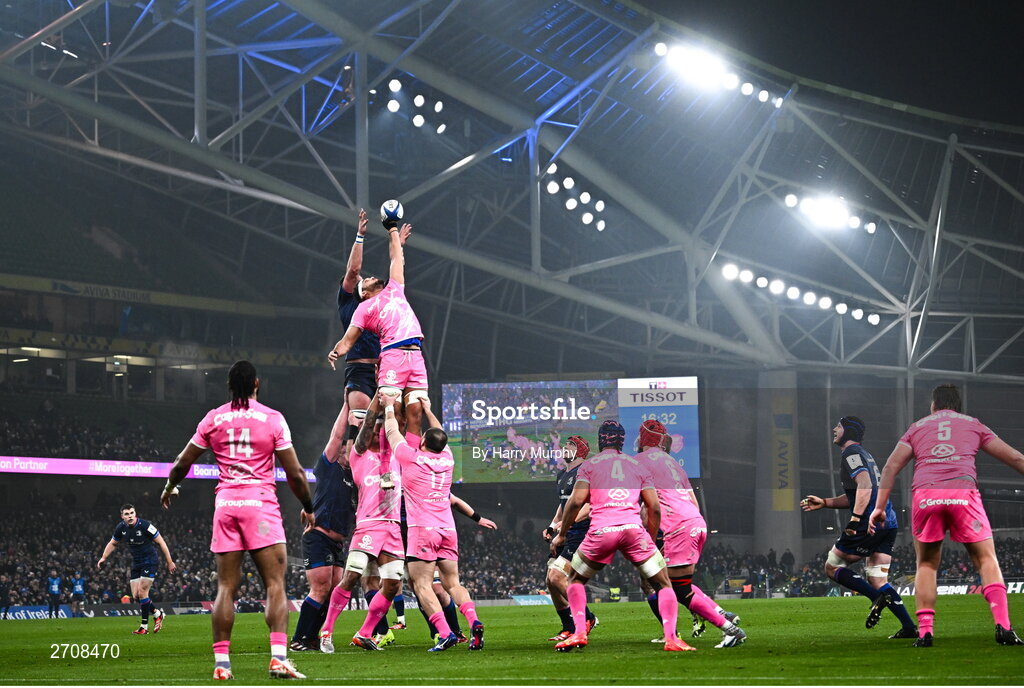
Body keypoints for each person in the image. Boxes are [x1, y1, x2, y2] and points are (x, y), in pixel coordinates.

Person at [160, 360, 316, 679]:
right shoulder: (273, 419)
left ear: (229, 386)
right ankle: (277, 658)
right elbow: (296, 473)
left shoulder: (213, 418)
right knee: (274, 584)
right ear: (257, 384)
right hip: (260, 504)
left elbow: (181, 462)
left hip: (227, 504)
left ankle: (222, 664)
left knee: (225, 587)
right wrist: (308, 505)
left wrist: (170, 487)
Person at [868, 384, 1024, 647]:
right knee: (986, 559)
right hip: (963, 495)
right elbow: (1017, 458)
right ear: (957, 406)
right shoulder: (974, 424)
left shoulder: (917, 427)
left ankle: (926, 632)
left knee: (926, 565)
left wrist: (880, 507)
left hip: (926, 497)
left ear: (934, 405)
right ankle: (1004, 627)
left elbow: (891, 466)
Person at [550, 420, 690, 652]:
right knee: (662, 583)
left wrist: (562, 534)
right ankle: (672, 638)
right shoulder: (637, 466)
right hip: (633, 530)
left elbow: (575, 502)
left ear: (600, 440)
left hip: (602, 530)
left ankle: (579, 633)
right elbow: (654, 508)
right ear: (622, 441)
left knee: (575, 580)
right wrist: (652, 540)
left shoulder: (589, 466)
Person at [382, 391, 485, 652]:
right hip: (447, 528)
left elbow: (392, 432)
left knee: (421, 584)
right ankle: (473, 621)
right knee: (453, 584)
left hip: (422, 530)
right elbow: (440, 432)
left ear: (423, 441)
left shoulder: (411, 457)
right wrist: (427, 409)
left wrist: (389, 408)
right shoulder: (448, 459)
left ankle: (444, 633)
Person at [801, 416, 917, 638]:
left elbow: (865, 485)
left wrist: (855, 520)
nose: (834, 429)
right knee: (878, 579)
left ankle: (875, 598)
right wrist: (825, 503)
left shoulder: (851, 453)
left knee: (832, 567)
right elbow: (856, 493)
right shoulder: (865, 455)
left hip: (868, 521)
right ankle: (909, 627)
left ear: (849, 431)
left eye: (839, 426)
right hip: (888, 521)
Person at [636, 419, 745, 648]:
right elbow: (693, 501)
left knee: (674, 587)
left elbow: (645, 506)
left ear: (642, 440)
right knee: (676, 583)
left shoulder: (639, 462)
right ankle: (721, 613)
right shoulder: (675, 464)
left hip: (678, 527)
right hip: (695, 522)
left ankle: (729, 629)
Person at [328, 213, 426, 441]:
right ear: (361, 292)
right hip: (360, 371)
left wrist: (398, 246)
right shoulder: (352, 305)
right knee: (362, 430)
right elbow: (353, 271)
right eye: (365, 279)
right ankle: (356, 473)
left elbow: (395, 265)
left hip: (387, 366)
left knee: (397, 424)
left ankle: (395, 472)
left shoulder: (391, 295)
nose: (368, 275)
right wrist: (360, 235)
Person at [319, 395, 405, 653]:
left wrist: (392, 402)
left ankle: (365, 633)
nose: (379, 430)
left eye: (382, 427)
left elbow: (398, 422)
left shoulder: (398, 456)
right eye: (376, 427)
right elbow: (367, 425)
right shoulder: (359, 456)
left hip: (392, 529)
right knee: (351, 577)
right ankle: (327, 632)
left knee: (391, 586)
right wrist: (377, 402)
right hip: (369, 525)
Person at [288, 430, 355, 652]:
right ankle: (298, 638)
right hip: (318, 536)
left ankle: (312, 637)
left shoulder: (354, 478)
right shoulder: (330, 469)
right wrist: (348, 405)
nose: (350, 453)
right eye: (347, 449)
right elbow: (335, 437)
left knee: (333, 591)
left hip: (337, 542)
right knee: (320, 588)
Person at [543, 435, 598, 642]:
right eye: (565, 444)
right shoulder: (562, 474)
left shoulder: (585, 472)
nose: (565, 447)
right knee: (550, 580)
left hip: (582, 533)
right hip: (565, 532)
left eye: (571, 445)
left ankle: (587, 618)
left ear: (581, 451)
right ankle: (567, 627)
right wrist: (552, 525)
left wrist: (563, 526)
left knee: (556, 577)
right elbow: (563, 504)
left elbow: (589, 505)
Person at [97, 504, 176, 634]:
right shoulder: (121, 528)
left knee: (143, 592)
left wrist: (170, 561)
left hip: (150, 561)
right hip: (136, 562)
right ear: (122, 516)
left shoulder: (145, 525)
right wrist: (103, 557)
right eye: (127, 514)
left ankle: (144, 627)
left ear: (135, 513)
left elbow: (161, 542)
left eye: (132, 513)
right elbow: (113, 543)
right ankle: (157, 614)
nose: (130, 516)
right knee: (136, 596)